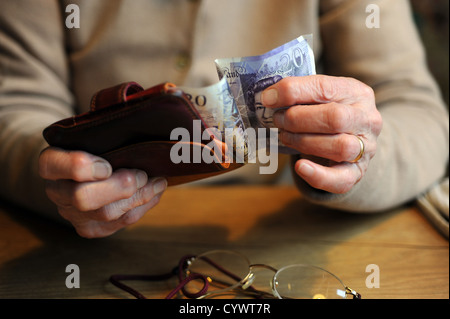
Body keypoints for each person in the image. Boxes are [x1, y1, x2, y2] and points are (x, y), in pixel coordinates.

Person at [0, 0, 448, 238]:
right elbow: (15, 104)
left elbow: (421, 113)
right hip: (88, 245)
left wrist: (357, 157)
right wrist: (59, 181)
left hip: (289, 238)